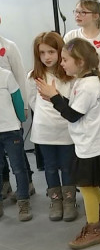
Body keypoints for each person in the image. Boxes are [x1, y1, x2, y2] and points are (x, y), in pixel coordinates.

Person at [36, 39, 100, 249]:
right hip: (87, 143)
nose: (61, 63)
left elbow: (73, 115)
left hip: (91, 146)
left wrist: (55, 97)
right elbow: (76, 108)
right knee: (88, 185)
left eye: (65, 59)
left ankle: (93, 229)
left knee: (87, 187)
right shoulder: (82, 81)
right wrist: (57, 97)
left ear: (80, 62)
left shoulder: (88, 85)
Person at [63, 0, 100, 191]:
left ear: (95, 16)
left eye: (83, 12)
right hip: (80, 88)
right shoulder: (71, 35)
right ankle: (94, 179)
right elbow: (66, 62)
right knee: (87, 131)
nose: (78, 15)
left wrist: (97, 71)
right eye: (76, 11)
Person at [28, 32, 77, 221]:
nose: (47, 57)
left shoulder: (70, 77)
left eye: (51, 51)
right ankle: (56, 201)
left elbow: (73, 103)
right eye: (42, 53)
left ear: (60, 52)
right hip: (44, 131)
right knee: (49, 167)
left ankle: (69, 201)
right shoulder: (33, 76)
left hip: (65, 130)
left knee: (67, 167)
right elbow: (33, 100)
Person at [0, 65, 29, 220]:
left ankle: (23, 202)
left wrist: (21, 119)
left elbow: (17, 99)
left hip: (11, 130)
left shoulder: (6, 75)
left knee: (18, 168)